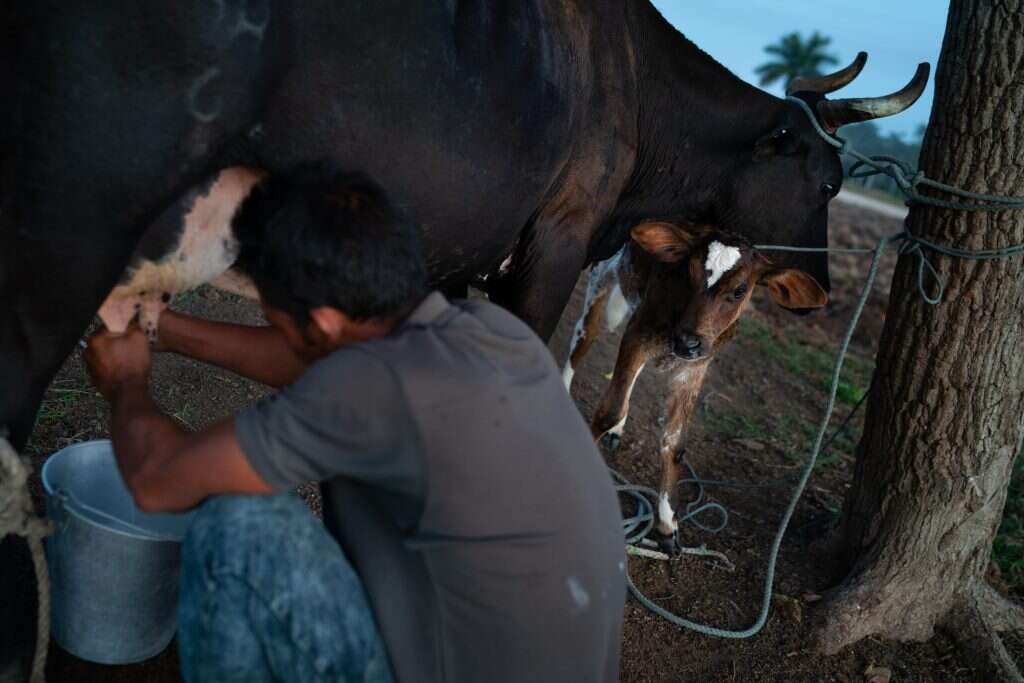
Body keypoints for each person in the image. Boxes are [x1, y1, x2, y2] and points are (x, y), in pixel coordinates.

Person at [83, 167, 626, 683]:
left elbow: (157, 478)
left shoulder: (371, 388)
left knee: (237, 527)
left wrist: (126, 379)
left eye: (277, 319)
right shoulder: (489, 332)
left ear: (322, 324)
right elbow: (311, 360)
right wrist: (159, 328)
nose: (279, 329)